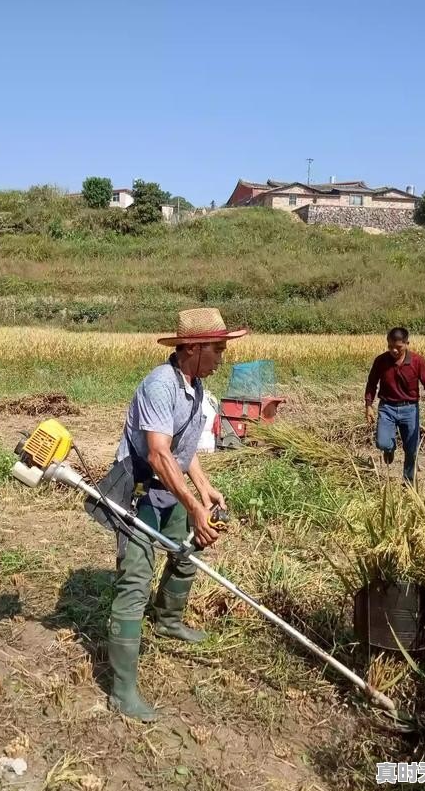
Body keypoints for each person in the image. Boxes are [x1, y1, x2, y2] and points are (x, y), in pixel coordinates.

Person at [108, 308, 247, 721]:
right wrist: (195, 506)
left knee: (186, 553)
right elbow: (157, 453)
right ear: (192, 347)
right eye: (217, 348)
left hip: (171, 489)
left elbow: (183, 451)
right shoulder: (160, 385)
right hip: (139, 491)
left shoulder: (197, 387)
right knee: (134, 582)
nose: (223, 356)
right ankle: (121, 691)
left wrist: (204, 489)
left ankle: (168, 620)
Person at [365, 327, 425, 483]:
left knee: (412, 450)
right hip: (387, 408)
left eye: (398, 347)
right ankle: (390, 449)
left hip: (410, 409)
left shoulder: (417, 361)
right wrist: (368, 405)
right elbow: (372, 383)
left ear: (407, 343)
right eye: (390, 346)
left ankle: (408, 483)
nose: (393, 350)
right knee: (383, 443)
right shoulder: (381, 361)